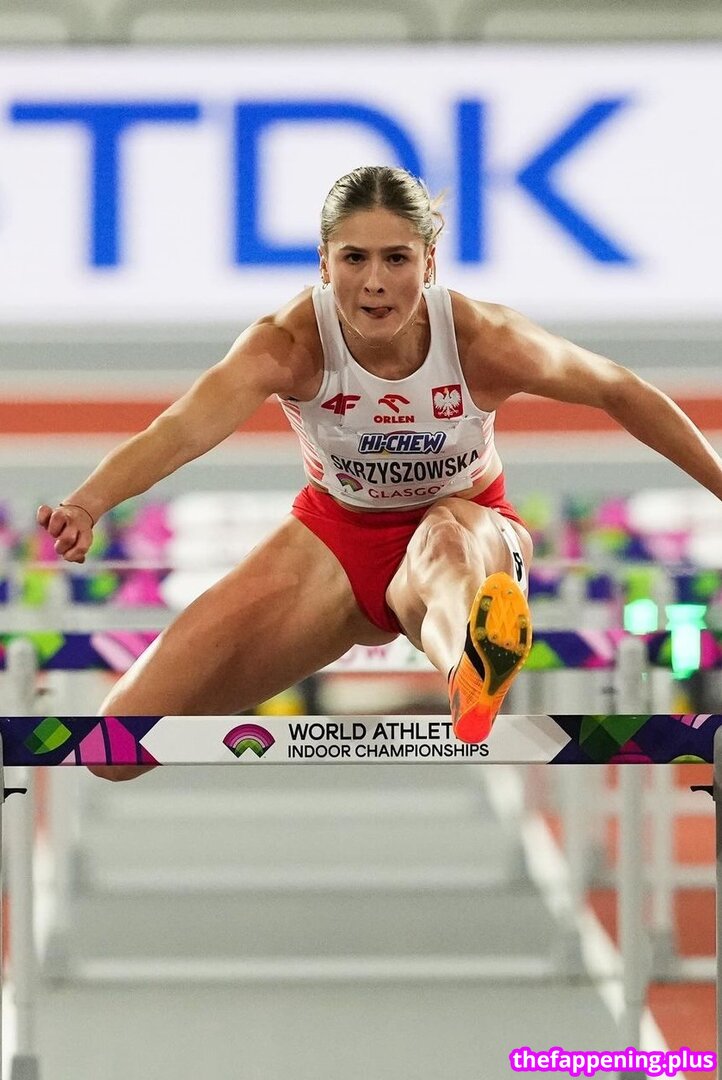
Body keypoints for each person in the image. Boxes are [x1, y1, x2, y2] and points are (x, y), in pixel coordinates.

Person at [38, 165, 722, 782]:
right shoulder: (287, 343)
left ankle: (471, 670)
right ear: (323, 262)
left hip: (475, 531)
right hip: (333, 541)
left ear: (429, 261)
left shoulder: (486, 340)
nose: (374, 283)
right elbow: (182, 428)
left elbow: (621, 389)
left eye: (396, 258)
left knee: (442, 540)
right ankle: (470, 662)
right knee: (115, 748)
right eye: (354, 258)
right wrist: (88, 503)